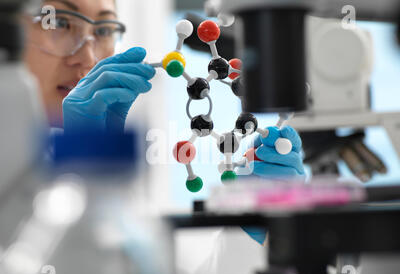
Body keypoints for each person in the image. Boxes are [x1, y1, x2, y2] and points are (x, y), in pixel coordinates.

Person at [23, 0, 305, 245]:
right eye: (58, 23)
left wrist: (256, 227)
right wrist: (82, 178)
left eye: (104, 30)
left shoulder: (134, 199)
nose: (87, 57)